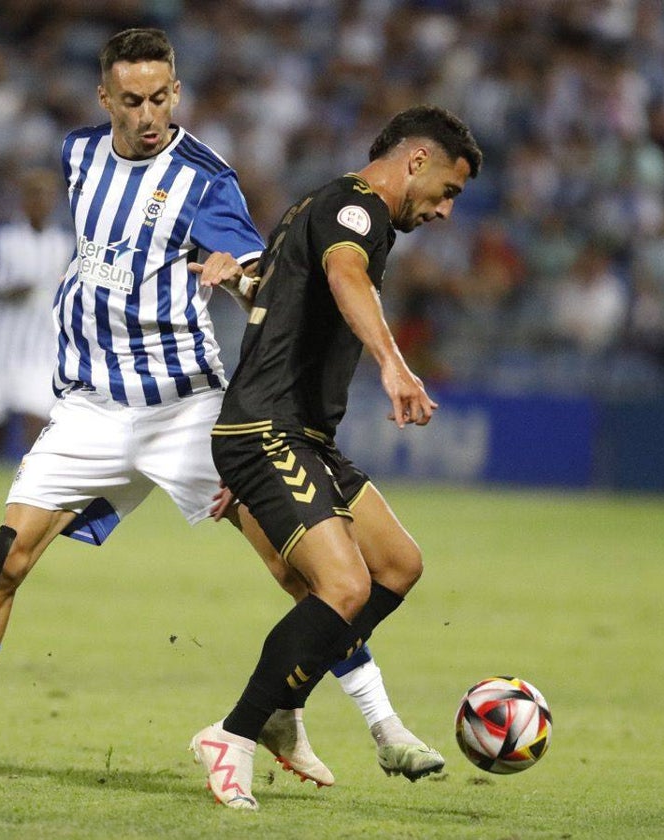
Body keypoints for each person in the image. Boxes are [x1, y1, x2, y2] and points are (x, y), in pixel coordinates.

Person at [0, 27, 428, 787]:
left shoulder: (207, 178)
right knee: (5, 560)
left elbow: (268, 289)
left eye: (161, 97)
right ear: (105, 100)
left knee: (297, 566)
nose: (148, 114)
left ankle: (376, 723)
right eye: (131, 100)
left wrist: (233, 277)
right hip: (90, 411)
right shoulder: (76, 156)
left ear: (177, 93)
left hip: (186, 411)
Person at [191, 104, 483, 810]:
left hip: (300, 435)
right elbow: (348, 277)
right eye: (448, 191)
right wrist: (393, 363)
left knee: (397, 565)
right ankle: (233, 734)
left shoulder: (317, 206)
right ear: (416, 161)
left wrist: (239, 285)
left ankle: (286, 693)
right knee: (345, 587)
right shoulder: (357, 211)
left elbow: (281, 301)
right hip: (266, 429)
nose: (446, 211)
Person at [0, 167, 71, 473]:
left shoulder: (64, 245)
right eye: (34, 195)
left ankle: (34, 479)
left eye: (47, 196)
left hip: (39, 347)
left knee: (39, 414)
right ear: (23, 200)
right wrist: (2, 292)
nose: (41, 202)